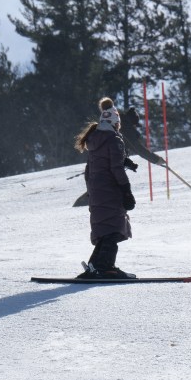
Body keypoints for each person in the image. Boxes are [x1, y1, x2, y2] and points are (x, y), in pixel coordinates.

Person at [74, 97, 138, 279]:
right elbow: (115, 168)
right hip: (110, 192)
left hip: (97, 193)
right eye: (118, 124)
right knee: (114, 229)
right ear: (115, 123)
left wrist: (124, 160)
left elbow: (93, 168)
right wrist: (126, 191)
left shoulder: (95, 139)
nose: (119, 127)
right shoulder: (113, 139)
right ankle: (106, 268)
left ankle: (95, 266)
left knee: (105, 230)